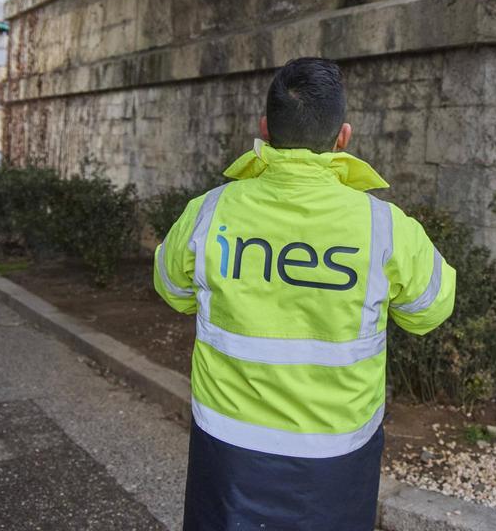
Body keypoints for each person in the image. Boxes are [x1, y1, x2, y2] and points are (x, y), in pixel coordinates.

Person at [154, 57, 457, 531]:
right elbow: (430, 310)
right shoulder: (385, 228)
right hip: (336, 457)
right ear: (343, 137)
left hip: (228, 449)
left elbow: (172, 289)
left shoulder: (208, 212)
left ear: (264, 130)